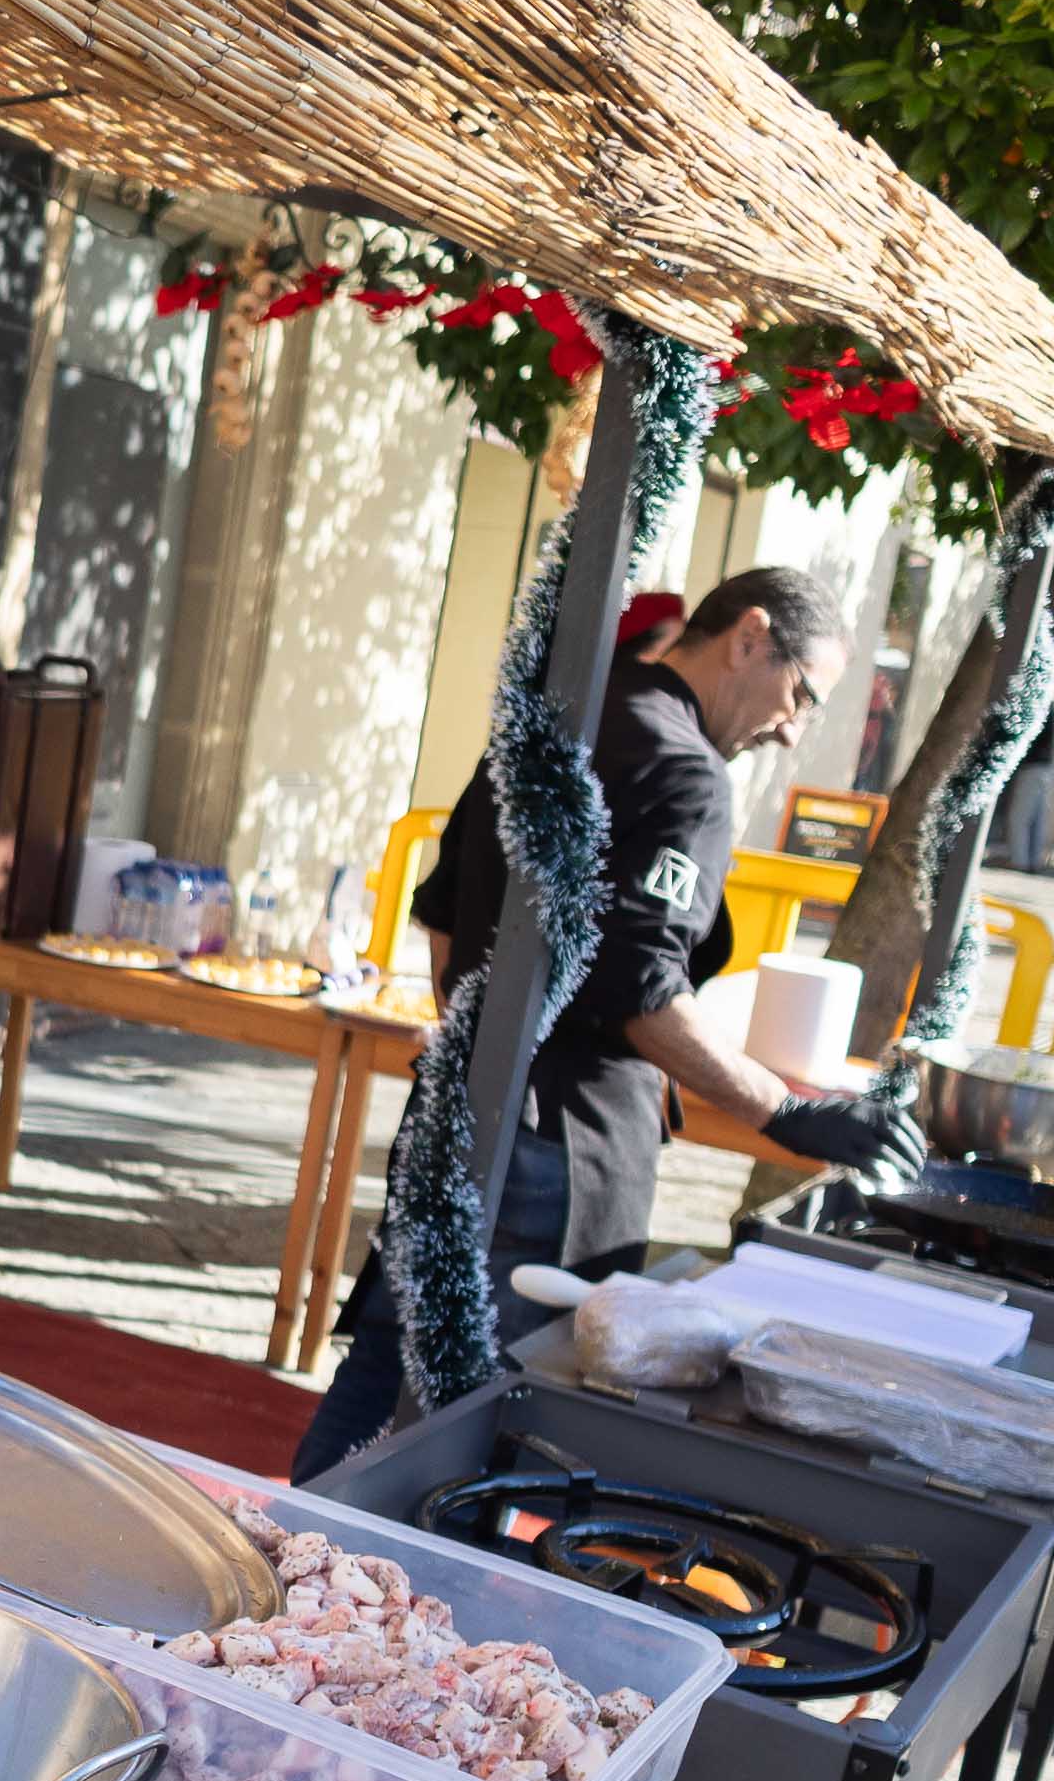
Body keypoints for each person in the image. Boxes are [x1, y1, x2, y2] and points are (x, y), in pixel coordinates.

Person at [292, 568, 921, 1474]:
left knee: (383, 1376)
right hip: (563, 1150)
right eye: (802, 695)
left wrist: (482, 1048)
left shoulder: (559, 718)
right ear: (747, 637)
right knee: (481, 1428)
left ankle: (291, 1580)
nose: (794, 726)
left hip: (461, 1113)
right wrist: (779, 1109)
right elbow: (641, 990)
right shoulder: (687, 770)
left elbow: (440, 915)